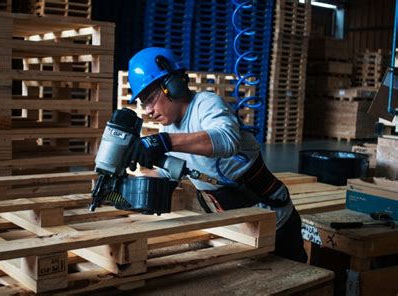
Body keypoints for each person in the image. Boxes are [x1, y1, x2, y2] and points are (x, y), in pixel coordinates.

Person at [126, 47, 307, 263]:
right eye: (143, 103)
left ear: (172, 86)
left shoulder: (206, 104)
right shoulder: (168, 129)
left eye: (150, 98)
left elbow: (226, 139)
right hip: (237, 227)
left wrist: (163, 143)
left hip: (276, 223)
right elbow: (168, 172)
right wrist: (126, 182)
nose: (147, 110)